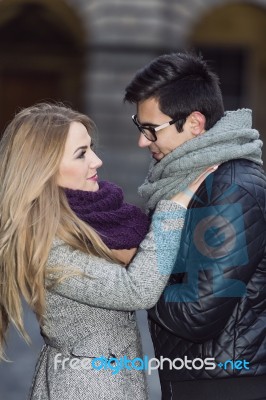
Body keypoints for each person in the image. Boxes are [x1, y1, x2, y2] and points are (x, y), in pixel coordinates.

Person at [0, 103, 214, 400]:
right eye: (81, 153)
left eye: (91, 148)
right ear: (43, 168)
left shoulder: (92, 218)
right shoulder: (47, 243)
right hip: (85, 386)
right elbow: (136, 290)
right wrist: (172, 208)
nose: (97, 161)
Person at [124, 52, 266, 400]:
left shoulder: (229, 187)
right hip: (200, 376)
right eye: (138, 125)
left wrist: (132, 268)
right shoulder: (192, 179)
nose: (142, 141)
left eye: (150, 129)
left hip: (224, 385)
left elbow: (197, 312)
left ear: (194, 123)